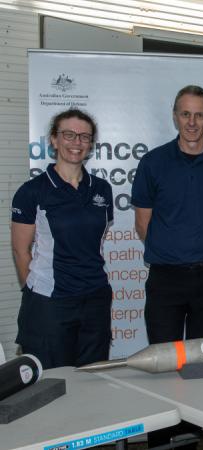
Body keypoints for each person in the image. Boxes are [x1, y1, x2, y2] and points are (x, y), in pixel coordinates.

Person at [132, 85, 203, 345]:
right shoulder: (153, 163)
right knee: (163, 356)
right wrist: (174, 249)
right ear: (175, 116)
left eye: (199, 115)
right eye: (185, 114)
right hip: (165, 278)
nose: (192, 122)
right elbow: (142, 224)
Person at [11, 108, 114, 369]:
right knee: (52, 384)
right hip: (50, 304)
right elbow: (21, 252)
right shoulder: (32, 191)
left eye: (84, 136)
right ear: (54, 140)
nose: (76, 142)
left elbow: (95, 243)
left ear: (91, 144)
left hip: (95, 299)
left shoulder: (102, 189)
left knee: (94, 379)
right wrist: (36, 293)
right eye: (68, 134)